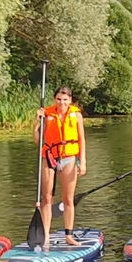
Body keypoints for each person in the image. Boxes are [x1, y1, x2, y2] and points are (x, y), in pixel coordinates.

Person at [35, 86, 87, 245]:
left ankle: (69, 236)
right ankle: (45, 236)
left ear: (70, 100)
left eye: (65, 99)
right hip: (49, 157)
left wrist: (82, 161)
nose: (62, 102)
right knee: (46, 198)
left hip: (69, 158)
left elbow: (81, 139)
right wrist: (36, 122)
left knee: (68, 199)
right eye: (58, 99)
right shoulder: (47, 113)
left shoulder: (76, 115)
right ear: (54, 100)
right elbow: (37, 140)